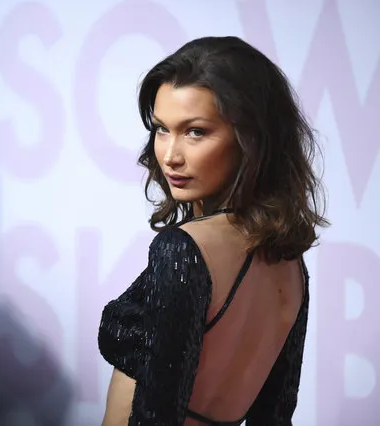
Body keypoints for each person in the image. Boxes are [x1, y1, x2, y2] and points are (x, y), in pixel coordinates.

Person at [97, 36, 329, 426]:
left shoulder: (184, 250)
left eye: (196, 132)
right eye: (161, 129)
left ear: (250, 140)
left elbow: (159, 413)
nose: (170, 155)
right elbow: (274, 417)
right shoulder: (290, 269)